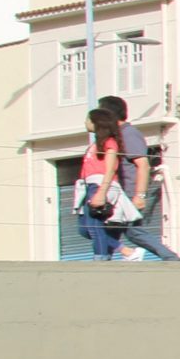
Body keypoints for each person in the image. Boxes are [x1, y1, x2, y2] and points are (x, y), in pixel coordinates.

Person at [95, 95, 180, 262]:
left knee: (133, 232)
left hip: (129, 194)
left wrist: (139, 195)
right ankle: (103, 263)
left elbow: (143, 164)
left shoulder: (129, 134)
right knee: (103, 230)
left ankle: (172, 259)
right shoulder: (118, 135)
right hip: (119, 196)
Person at [73, 108, 131, 261]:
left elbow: (111, 168)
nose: (85, 122)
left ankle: (101, 259)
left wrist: (101, 192)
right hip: (90, 185)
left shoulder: (109, 143)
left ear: (97, 122)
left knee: (93, 225)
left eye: (88, 119)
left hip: (100, 185)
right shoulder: (96, 144)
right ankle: (124, 250)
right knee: (85, 229)